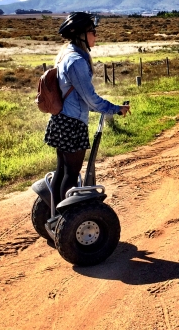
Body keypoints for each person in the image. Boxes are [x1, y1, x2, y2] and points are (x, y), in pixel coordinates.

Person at [44, 12, 130, 204]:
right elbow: (90, 98)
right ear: (81, 34)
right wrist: (115, 109)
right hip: (72, 123)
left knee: (62, 170)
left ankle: (56, 214)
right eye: (93, 31)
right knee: (71, 174)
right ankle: (66, 219)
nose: (95, 35)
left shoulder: (67, 55)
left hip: (62, 119)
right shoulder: (76, 61)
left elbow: (80, 97)